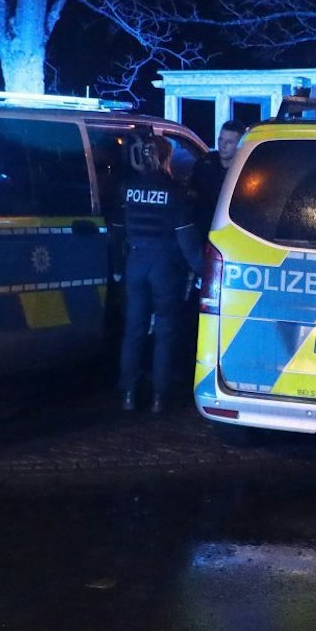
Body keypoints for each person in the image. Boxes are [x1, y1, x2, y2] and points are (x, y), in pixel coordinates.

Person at [118, 130, 198, 413]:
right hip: (164, 267)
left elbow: (121, 230)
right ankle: (159, 398)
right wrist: (201, 269)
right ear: (166, 157)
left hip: (135, 263)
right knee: (165, 332)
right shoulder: (175, 191)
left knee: (134, 331)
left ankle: (127, 394)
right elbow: (186, 239)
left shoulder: (128, 187)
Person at [191, 118, 244, 225]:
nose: (222, 145)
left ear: (240, 144)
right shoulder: (205, 163)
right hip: (203, 224)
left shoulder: (245, 170)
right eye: (220, 139)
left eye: (229, 142)